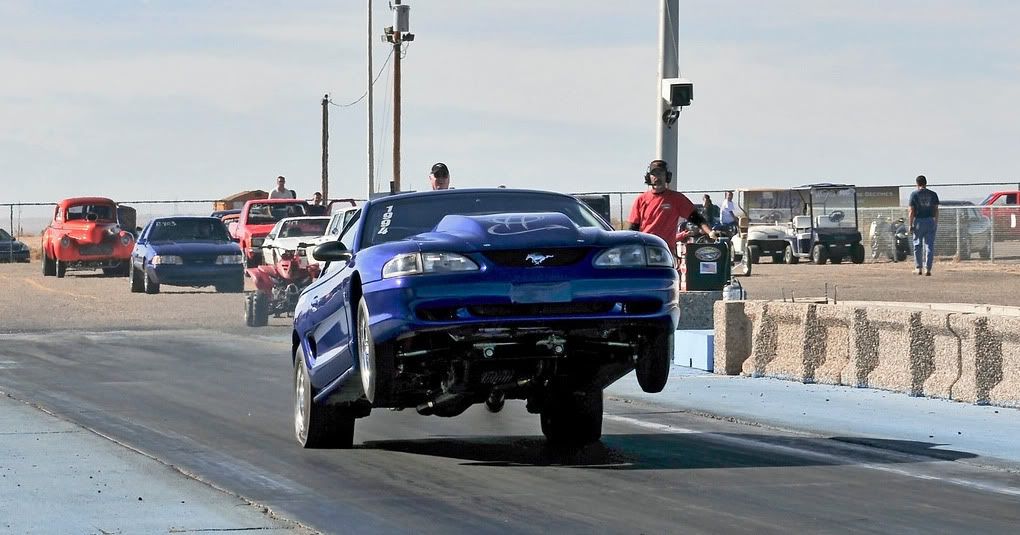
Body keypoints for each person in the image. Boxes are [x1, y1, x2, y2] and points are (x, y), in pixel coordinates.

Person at [628, 159, 715, 255]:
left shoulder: (676, 199)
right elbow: (633, 229)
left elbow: (696, 218)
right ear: (649, 177)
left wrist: (710, 232)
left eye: (661, 173)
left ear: (667, 176)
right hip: (645, 249)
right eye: (654, 174)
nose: (657, 177)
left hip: (665, 250)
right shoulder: (641, 199)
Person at [908, 174, 939, 276]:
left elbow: (911, 211)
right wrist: (935, 222)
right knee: (929, 245)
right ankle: (928, 269)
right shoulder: (933, 194)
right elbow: (936, 209)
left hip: (919, 221)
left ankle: (918, 268)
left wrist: (910, 224)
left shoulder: (914, 195)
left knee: (917, 245)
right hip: (930, 220)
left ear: (917, 184)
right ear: (926, 183)